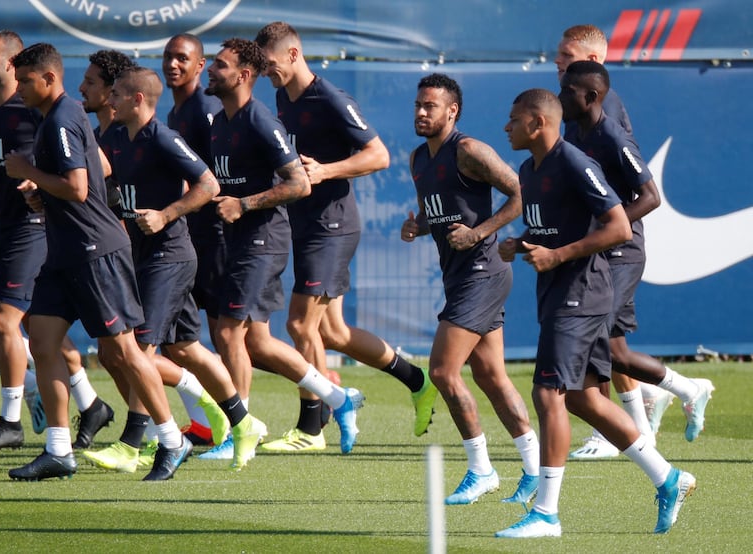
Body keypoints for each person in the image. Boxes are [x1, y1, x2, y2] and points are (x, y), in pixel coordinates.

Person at [495, 88, 695, 537]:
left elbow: (620, 226)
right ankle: (668, 478)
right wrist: (521, 242)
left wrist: (560, 254)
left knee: (548, 394)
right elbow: (551, 226)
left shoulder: (575, 162)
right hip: (559, 290)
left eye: (513, 119)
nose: (506, 127)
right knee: (585, 398)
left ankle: (546, 513)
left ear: (538, 123)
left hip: (583, 293)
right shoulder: (530, 168)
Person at [3, 42, 189, 481]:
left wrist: (28, 172)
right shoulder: (57, 117)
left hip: (94, 251)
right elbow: (88, 173)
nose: (19, 89)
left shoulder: (63, 118)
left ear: (48, 78)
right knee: (42, 337)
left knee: (124, 350)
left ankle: (171, 439)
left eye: (25, 81)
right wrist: (39, 191)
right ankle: (59, 451)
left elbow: (79, 188)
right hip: (66, 251)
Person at [253, 21, 436, 454]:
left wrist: (326, 170)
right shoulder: (282, 96)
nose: (267, 74)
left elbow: (379, 155)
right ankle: (417, 380)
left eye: (272, 65)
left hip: (331, 225)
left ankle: (312, 428)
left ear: (294, 54)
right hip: (305, 222)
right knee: (331, 332)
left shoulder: (330, 98)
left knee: (300, 324)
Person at [82, 66, 264, 472]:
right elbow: (105, 182)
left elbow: (209, 185)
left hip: (171, 255)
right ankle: (243, 421)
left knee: (139, 348)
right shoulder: (113, 136)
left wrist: (166, 215)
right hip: (142, 255)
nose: (108, 100)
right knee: (184, 349)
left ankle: (134, 444)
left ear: (138, 100)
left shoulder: (163, 137)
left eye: (117, 95)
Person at [555, 25, 714, 459]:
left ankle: (616, 429)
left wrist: (608, 225)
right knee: (617, 350)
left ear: (595, 64)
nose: (557, 61)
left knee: (593, 338)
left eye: (566, 55)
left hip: (619, 248)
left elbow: (648, 196)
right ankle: (661, 409)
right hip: (598, 244)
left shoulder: (607, 116)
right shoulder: (576, 114)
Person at [202, 38, 363, 458]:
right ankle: (337, 397)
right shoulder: (220, 123)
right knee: (258, 342)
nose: (210, 70)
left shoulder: (260, 120)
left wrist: (245, 204)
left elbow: (299, 183)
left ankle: (241, 429)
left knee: (227, 332)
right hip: (238, 239)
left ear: (243, 76)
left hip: (263, 240)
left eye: (219, 65)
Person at [0, 30, 114, 452]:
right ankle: (90, 403)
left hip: (37, 228)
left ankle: (11, 422)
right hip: (8, 227)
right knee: (38, 327)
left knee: (2, 319)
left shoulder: (41, 111)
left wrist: (39, 181)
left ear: (11, 64)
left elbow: (99, 165)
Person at [401, 73, 540, 505]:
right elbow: (437, 210)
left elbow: (522, 192)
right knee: (491, 376)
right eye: (418, 105)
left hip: (483, 273)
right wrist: (419, 225)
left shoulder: (470, 150)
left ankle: (481, 470)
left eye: (431, 106)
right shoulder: (418, 158)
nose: (422, 112)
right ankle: (535, 470)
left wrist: (481, 233)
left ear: (452, 111)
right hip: (460, 275)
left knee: (442, 371)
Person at [162, 34, 227, 447]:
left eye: (182, 58)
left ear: (200, 66)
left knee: (228, 335)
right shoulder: (175, 112)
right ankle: (207, 424)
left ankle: (236, 427)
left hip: (216, 238)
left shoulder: (205, 109)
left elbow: (214, 177)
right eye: (168, 57)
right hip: (190, 236)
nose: (173, 64)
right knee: (181, 340)